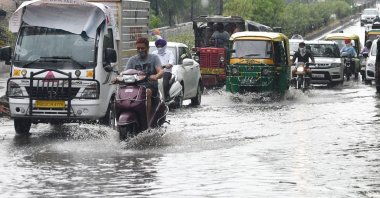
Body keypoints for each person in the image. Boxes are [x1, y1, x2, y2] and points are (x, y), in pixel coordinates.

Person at [123, 37, 164, 119]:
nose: (140, 50)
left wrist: (156, 76)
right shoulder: (132, 60)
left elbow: (161, 71)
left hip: (150, 87)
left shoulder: (154, 58)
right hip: (135, 87)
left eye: (143, 48)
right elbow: (125, 73)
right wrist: (117, 78)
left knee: (147, 92)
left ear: (148, 48)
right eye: (138, 48)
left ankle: (146, 119)